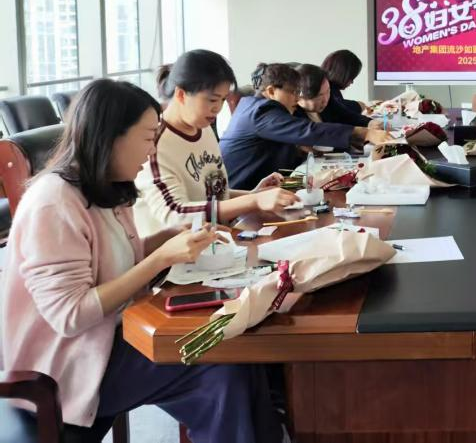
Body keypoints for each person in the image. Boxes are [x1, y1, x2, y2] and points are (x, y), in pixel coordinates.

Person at [0, 79, 283, 442]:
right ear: (111, 137)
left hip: (111, 337)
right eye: (149, 137)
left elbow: (117, 259)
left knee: (235, 350)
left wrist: (166, 238)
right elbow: (70, 316)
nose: (152, 151)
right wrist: (160, 258)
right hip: (71, 364)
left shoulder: (105, 187)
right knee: (220, 367)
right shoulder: (53, 202)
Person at [134, 49, 299, 236]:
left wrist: (255, 195)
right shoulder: (155, 145)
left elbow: (212, 194)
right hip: (177, 249)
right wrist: (253, 201)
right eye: (212, 100)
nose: (218, 108)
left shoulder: (202, 126)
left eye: (222, 100)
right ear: (181, 94)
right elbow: (175, 213)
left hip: (215, 239)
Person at [220, 63, 391, 190]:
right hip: (245, 191)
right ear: (271, 91)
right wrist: (364, 133)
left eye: (299, 92)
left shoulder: (254, 106)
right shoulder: (261, 111)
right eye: (293, 92)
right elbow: (306, 130)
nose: (297, 98)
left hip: (270, 182)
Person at [320, 49, 372, 126]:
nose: (352, 82)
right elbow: (339, 110)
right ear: (342, 74)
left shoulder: (330, 87)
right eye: (351, 78)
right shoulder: (327, 88)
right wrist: (359, 105)